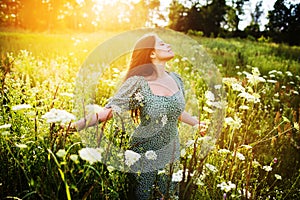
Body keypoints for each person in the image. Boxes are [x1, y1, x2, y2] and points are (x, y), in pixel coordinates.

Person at [71, 33, 206, 200]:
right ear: (152, 54)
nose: (168, 45)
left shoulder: (176, 80)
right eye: (162, 44)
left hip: (172, 149)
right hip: (144, 150)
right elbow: (108, 112)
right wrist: (74, 126)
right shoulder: (138, 83)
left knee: (169, 195)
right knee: (145, 195)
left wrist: (196, 124)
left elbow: (176, 111)